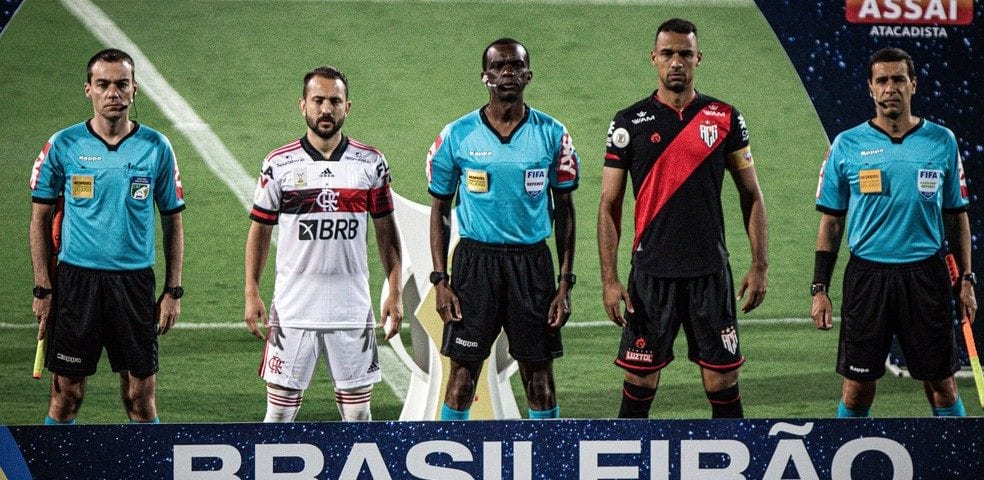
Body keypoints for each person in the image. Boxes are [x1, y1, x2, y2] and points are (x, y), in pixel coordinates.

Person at [598, 18, 768, 419]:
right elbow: (609, 205)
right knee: (640, 381)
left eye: (685, 54)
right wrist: (609, 280)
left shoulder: (725, 118)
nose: (677, 62)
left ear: (698, 58)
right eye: (668, 54)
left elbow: (752, 194)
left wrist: (759, 264)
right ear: (654, 58)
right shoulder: (628, 122)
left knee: (722, 381)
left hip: (709, 270)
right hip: (651, 272)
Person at [811, 47, 975, 417]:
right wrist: (820, 289)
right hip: (868, 277)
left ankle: (954, 464)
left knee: (943, 387)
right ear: (870, 88)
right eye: (882, 80)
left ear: (912, 85)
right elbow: (832, 222)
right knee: (856, 389)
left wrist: (966, 280)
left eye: (898, 79)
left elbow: (957, 217)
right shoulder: (846, 145)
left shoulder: (942, 141)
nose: (890, 88)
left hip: (926, 276)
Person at [29, 48, 186, 425]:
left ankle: (149, 469)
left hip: (134, 283)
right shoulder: (63, 145)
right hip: (76, 283)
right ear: (88, 90)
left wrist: (172, 291)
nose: (112, 93)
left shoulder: (156, 147)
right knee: (66, 394)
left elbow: (173, 221)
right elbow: (38, 220)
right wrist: (43, 289)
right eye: (103, 84)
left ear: (134, 89)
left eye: (121, 84)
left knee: (140, 397)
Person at [427, 38, 579, 420]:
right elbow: (440, 209)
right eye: (498, 67)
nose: (506, 73)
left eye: (515, 65)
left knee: (540, 380)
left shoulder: (553, 134)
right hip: (475, 264)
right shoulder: (457, 135)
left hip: (532, 265)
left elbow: (566, 210)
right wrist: (440, 281)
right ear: (485, 77)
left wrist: (564, 284)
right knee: (462, 378)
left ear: (528, 75)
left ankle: (547, 464)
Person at [244, 66, 403, 422]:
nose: (326, 109)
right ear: (303, 106)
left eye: (334, 101)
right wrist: (251, 289)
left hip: (352, 308)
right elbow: (260, 229)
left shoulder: (371, 163)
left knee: (359, 417)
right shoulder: (279, 164)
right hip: (294, 308)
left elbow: (387, 232)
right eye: (318, 100)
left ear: (348, 107)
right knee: (278, 417)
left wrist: (394, 290)